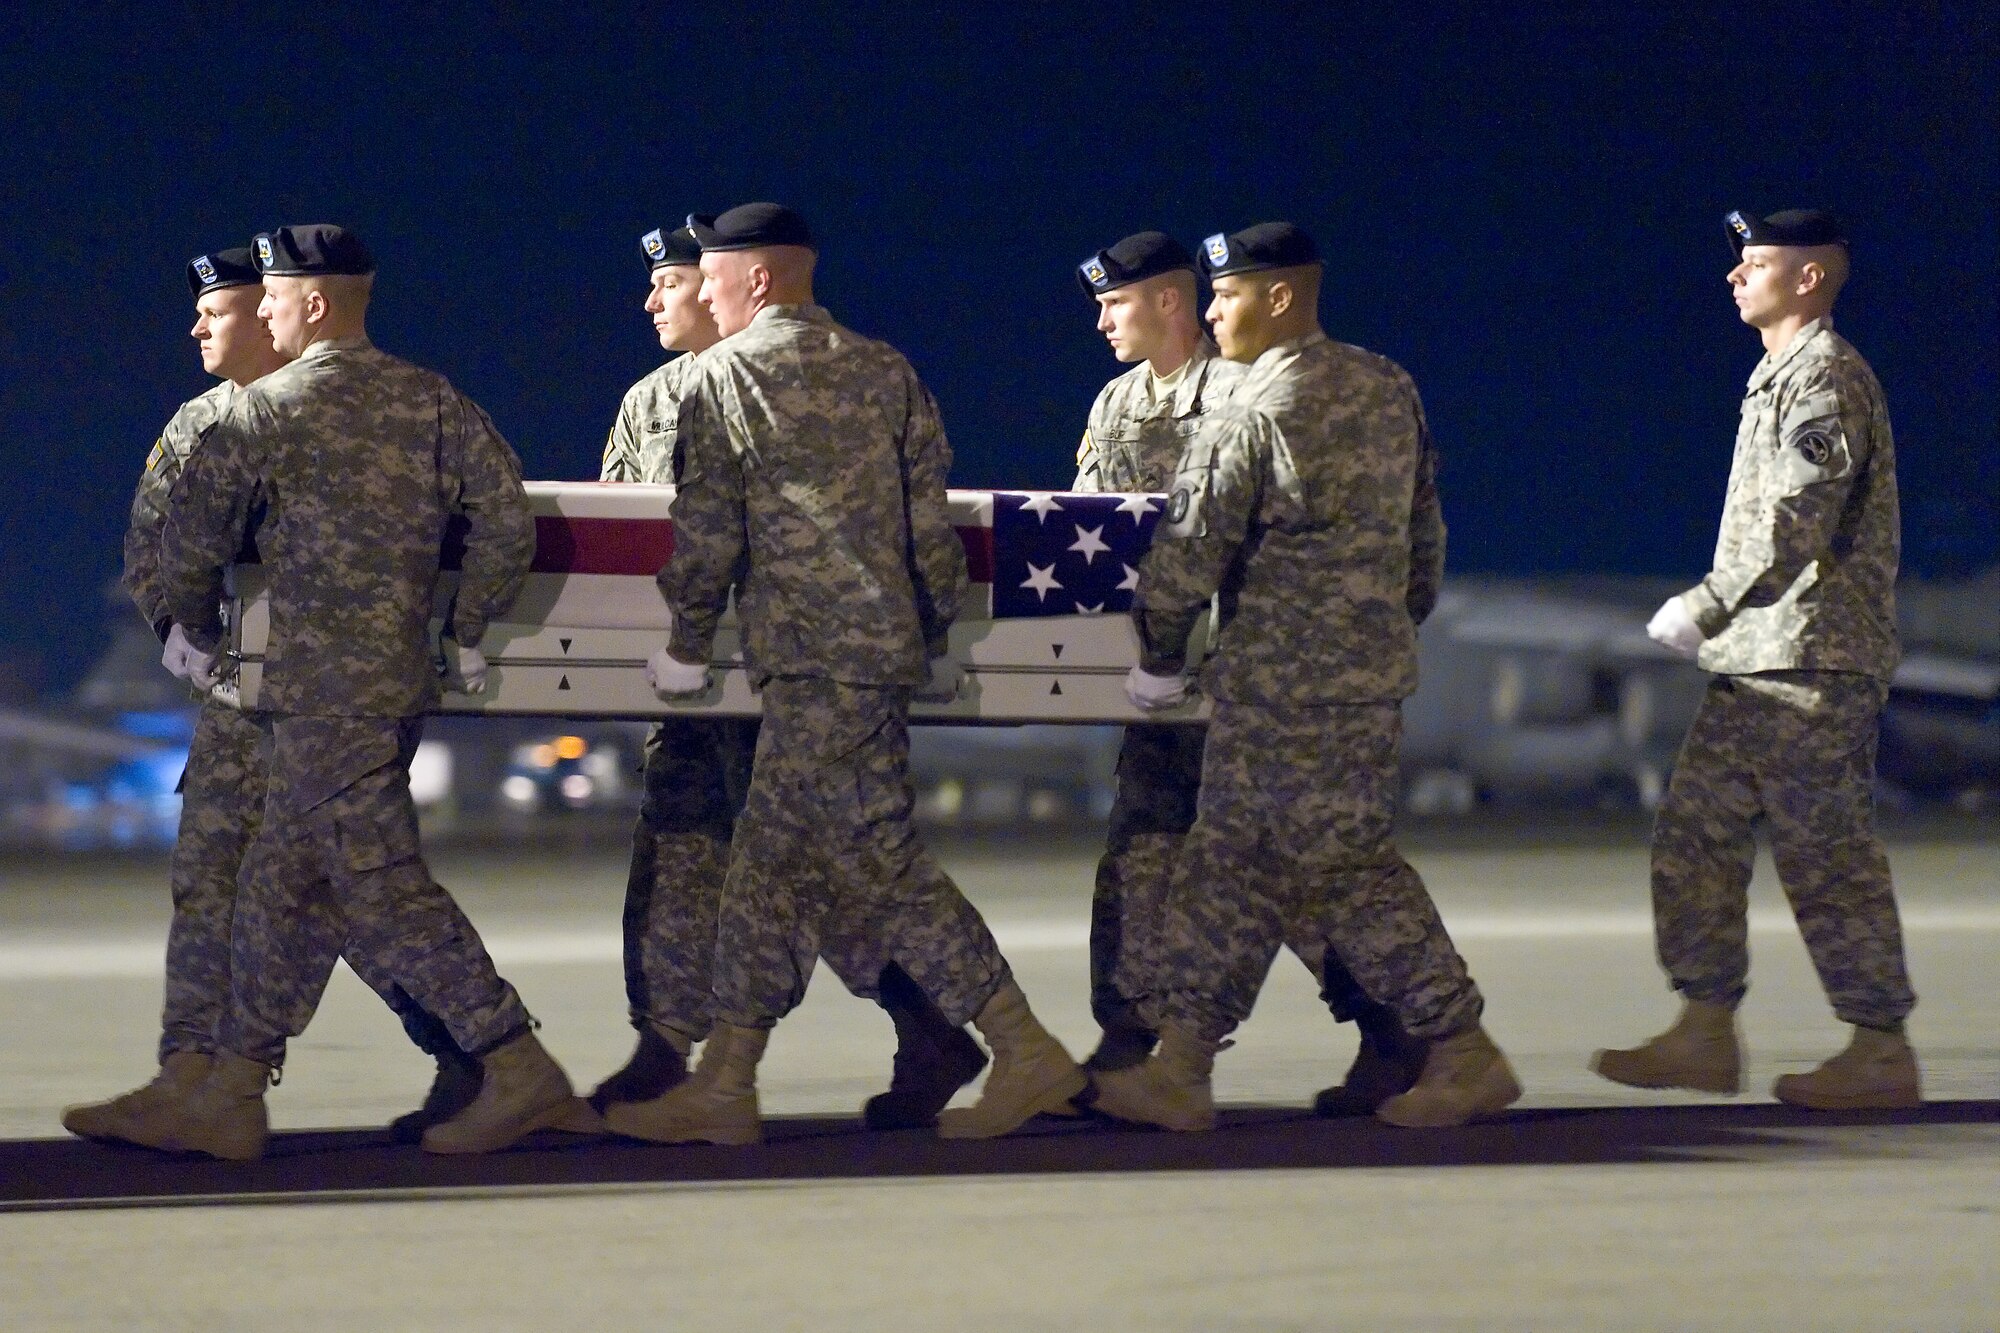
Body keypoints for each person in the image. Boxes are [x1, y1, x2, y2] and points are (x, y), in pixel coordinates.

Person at [110, 223, 598, 1159]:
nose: (264, 309)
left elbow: (184, 547)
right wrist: (460, 628)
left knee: (375, 890)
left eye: (276, 295)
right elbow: (505, 516)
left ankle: (514, 1065)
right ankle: (228, 1093)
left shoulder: (262, 410)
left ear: (314, 302)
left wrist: (201, 635)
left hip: (300, 689)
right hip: (387, 686)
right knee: (282, 886)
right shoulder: (433, 399)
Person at [603, 202, 1084, 1145]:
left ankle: (1022, 1050)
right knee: (795, 866)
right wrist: (928, 634)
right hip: (874, 657)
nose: (700, 290)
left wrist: (688, 644)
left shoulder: (723, 377)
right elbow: (929, 527)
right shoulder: (885, 368)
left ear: (761, 279)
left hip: (805, 662)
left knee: (859, 864)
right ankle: (729, 1083)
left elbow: (707, 535)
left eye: (713, 277)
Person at [1091, 221, 1519, 1131]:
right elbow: (1426, 541)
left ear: (1278, 297)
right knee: (1234, 864)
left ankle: (1462, 1048)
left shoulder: (1250, 408)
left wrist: (1159, 665)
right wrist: (1382, 629)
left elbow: (1186, 558)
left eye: (1227, 295)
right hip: (1365, 680)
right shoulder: (1385, 385)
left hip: (1278, 688)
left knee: (1343, 871)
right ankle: (1184, 1066)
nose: (1213, 312)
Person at [62, 247, 475, 1149]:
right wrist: (179, 628)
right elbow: (152, 542)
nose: (199, 327)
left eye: (221, 309)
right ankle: (189, 1076)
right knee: (208, 880)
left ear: (278, 309)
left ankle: (471, 1053)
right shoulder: (199, 421)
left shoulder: (355, 412)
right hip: (237, 703)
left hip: (331, 698)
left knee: (340, 888)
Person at [1594, 209, 1919, 1109]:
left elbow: (1797, 518)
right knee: (1692, 835)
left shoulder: (1825, 377)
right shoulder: (1775, 375)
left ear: (1809, 277)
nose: (1736, 276)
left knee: (1827, 857)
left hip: (1813, 659)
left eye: (1757, 263)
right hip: (1759, 661)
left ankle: (1880, 1045)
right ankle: (1705, 1030)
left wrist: (1705, 601)